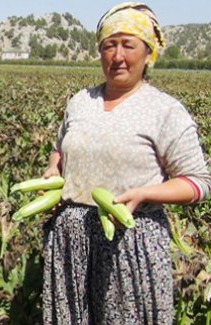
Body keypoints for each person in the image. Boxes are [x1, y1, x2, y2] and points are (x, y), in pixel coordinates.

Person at [41, 2, 211, 324]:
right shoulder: (81, 102)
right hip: (71, 241)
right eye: (109, 46)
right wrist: (54, 168)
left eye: (128, 45)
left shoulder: (165, 111)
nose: (117, 56)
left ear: (148, 53)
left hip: (132, 243)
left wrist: (144, 194)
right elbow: (60, 149)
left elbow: (199, 182)